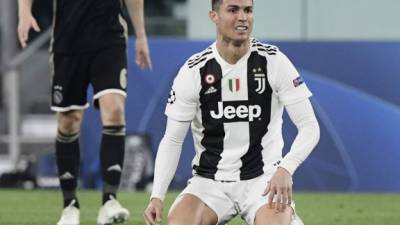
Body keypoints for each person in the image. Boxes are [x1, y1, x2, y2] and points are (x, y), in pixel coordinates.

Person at [143, 0, 320, 225]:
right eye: (233, 10)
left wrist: (286, 168)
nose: (242, 17)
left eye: (248, 10)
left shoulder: (273, 61)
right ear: (213, 16)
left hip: (263, 180)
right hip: (209, 182)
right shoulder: (194, 70)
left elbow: (309, 126)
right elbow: (173, 139)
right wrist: (156, 196)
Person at [17, 0, 152, 224]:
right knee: (69, 121)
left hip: (109, 37)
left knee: (115, 109)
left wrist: (141, 34)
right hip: (68, 41)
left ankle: (110, 200)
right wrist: (24, 12)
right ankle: (69, 205)